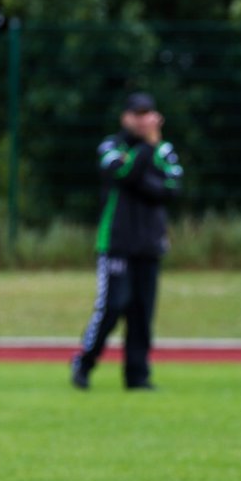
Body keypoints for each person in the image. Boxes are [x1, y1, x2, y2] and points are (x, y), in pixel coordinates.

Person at [71, 92, 183, 391]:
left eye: (148, 113)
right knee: (112, 306)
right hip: (116, 243)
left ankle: (137, 376)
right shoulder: (111, 146)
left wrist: (141, 171)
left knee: (142, 313)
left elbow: (171, 189)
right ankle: (84, 362)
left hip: (149, 244)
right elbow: (121, 173)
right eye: (138, 114)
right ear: (126, 117)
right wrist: (147, 150)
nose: (144, 119)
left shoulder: (165, 150)